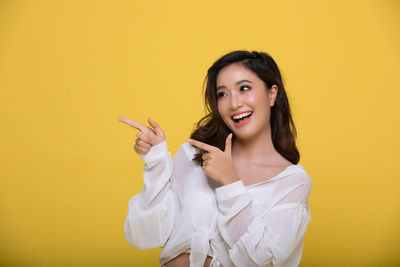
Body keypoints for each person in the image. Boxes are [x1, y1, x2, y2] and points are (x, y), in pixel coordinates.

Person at [118, 50, 312, 267]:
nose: (234, 104)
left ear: (271, 94)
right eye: (222, 94)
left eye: (244, 88)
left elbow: (261, 262)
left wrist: (229, 182)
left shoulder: (292, 182)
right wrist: (156, 162)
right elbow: (143, 236)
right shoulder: (193, 156)